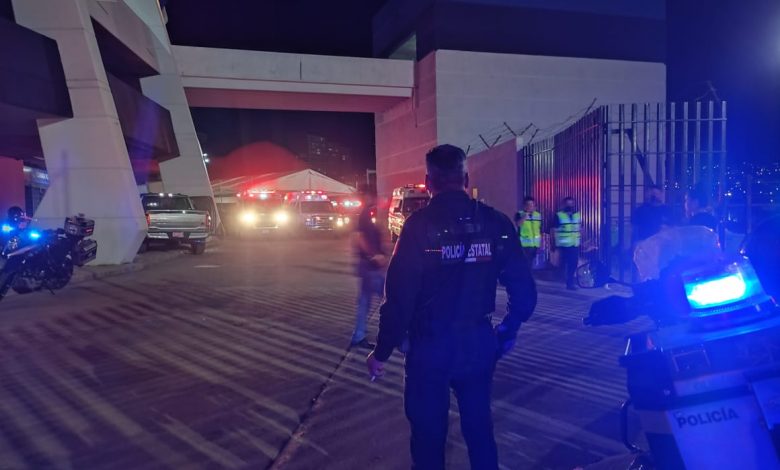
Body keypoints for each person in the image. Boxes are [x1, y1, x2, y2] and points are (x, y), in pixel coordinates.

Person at [366, 144, 537, 470]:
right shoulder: (496, 223)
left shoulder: (417, 227)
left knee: (428, 438)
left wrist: (381, 352)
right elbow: (525, 292)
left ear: (429, 182)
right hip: (478, 343)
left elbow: (399, 299)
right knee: (480, 429)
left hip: (429, 347)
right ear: (466, 179)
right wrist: (508, 329)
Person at [350, 188, 386, 349]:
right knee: (388, 297)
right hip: (370, 266)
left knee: (365, 301)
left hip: (368, 266)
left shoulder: (367, 214)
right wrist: (373, 256)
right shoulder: (364, 215)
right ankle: (397, 332)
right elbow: (359, 238)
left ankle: (358, 335)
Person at [553, 197, 581, 290]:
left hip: (574, 244)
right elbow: (554, 230)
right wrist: (555, 245)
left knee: (573, 263)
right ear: (564, 205)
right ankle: (565, 280)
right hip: (563, 245)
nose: (570, 206)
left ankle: (570, 282)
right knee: (564, 263)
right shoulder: (559, 215)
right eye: (568, 204)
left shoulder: (577, 215)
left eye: (571, 204)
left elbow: (580, 228)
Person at [514, 197, 542, 269]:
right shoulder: (519, 214)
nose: (530, 207)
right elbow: (518, 224)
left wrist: (540, 245)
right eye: (528, 205)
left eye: (532, 205)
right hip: (523, 245)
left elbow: (539, 230)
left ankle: (529, 274)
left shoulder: (538, 215)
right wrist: (525, 215)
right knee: (524, 263)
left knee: (530, 263)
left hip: (535, 245)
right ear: (524, 206)